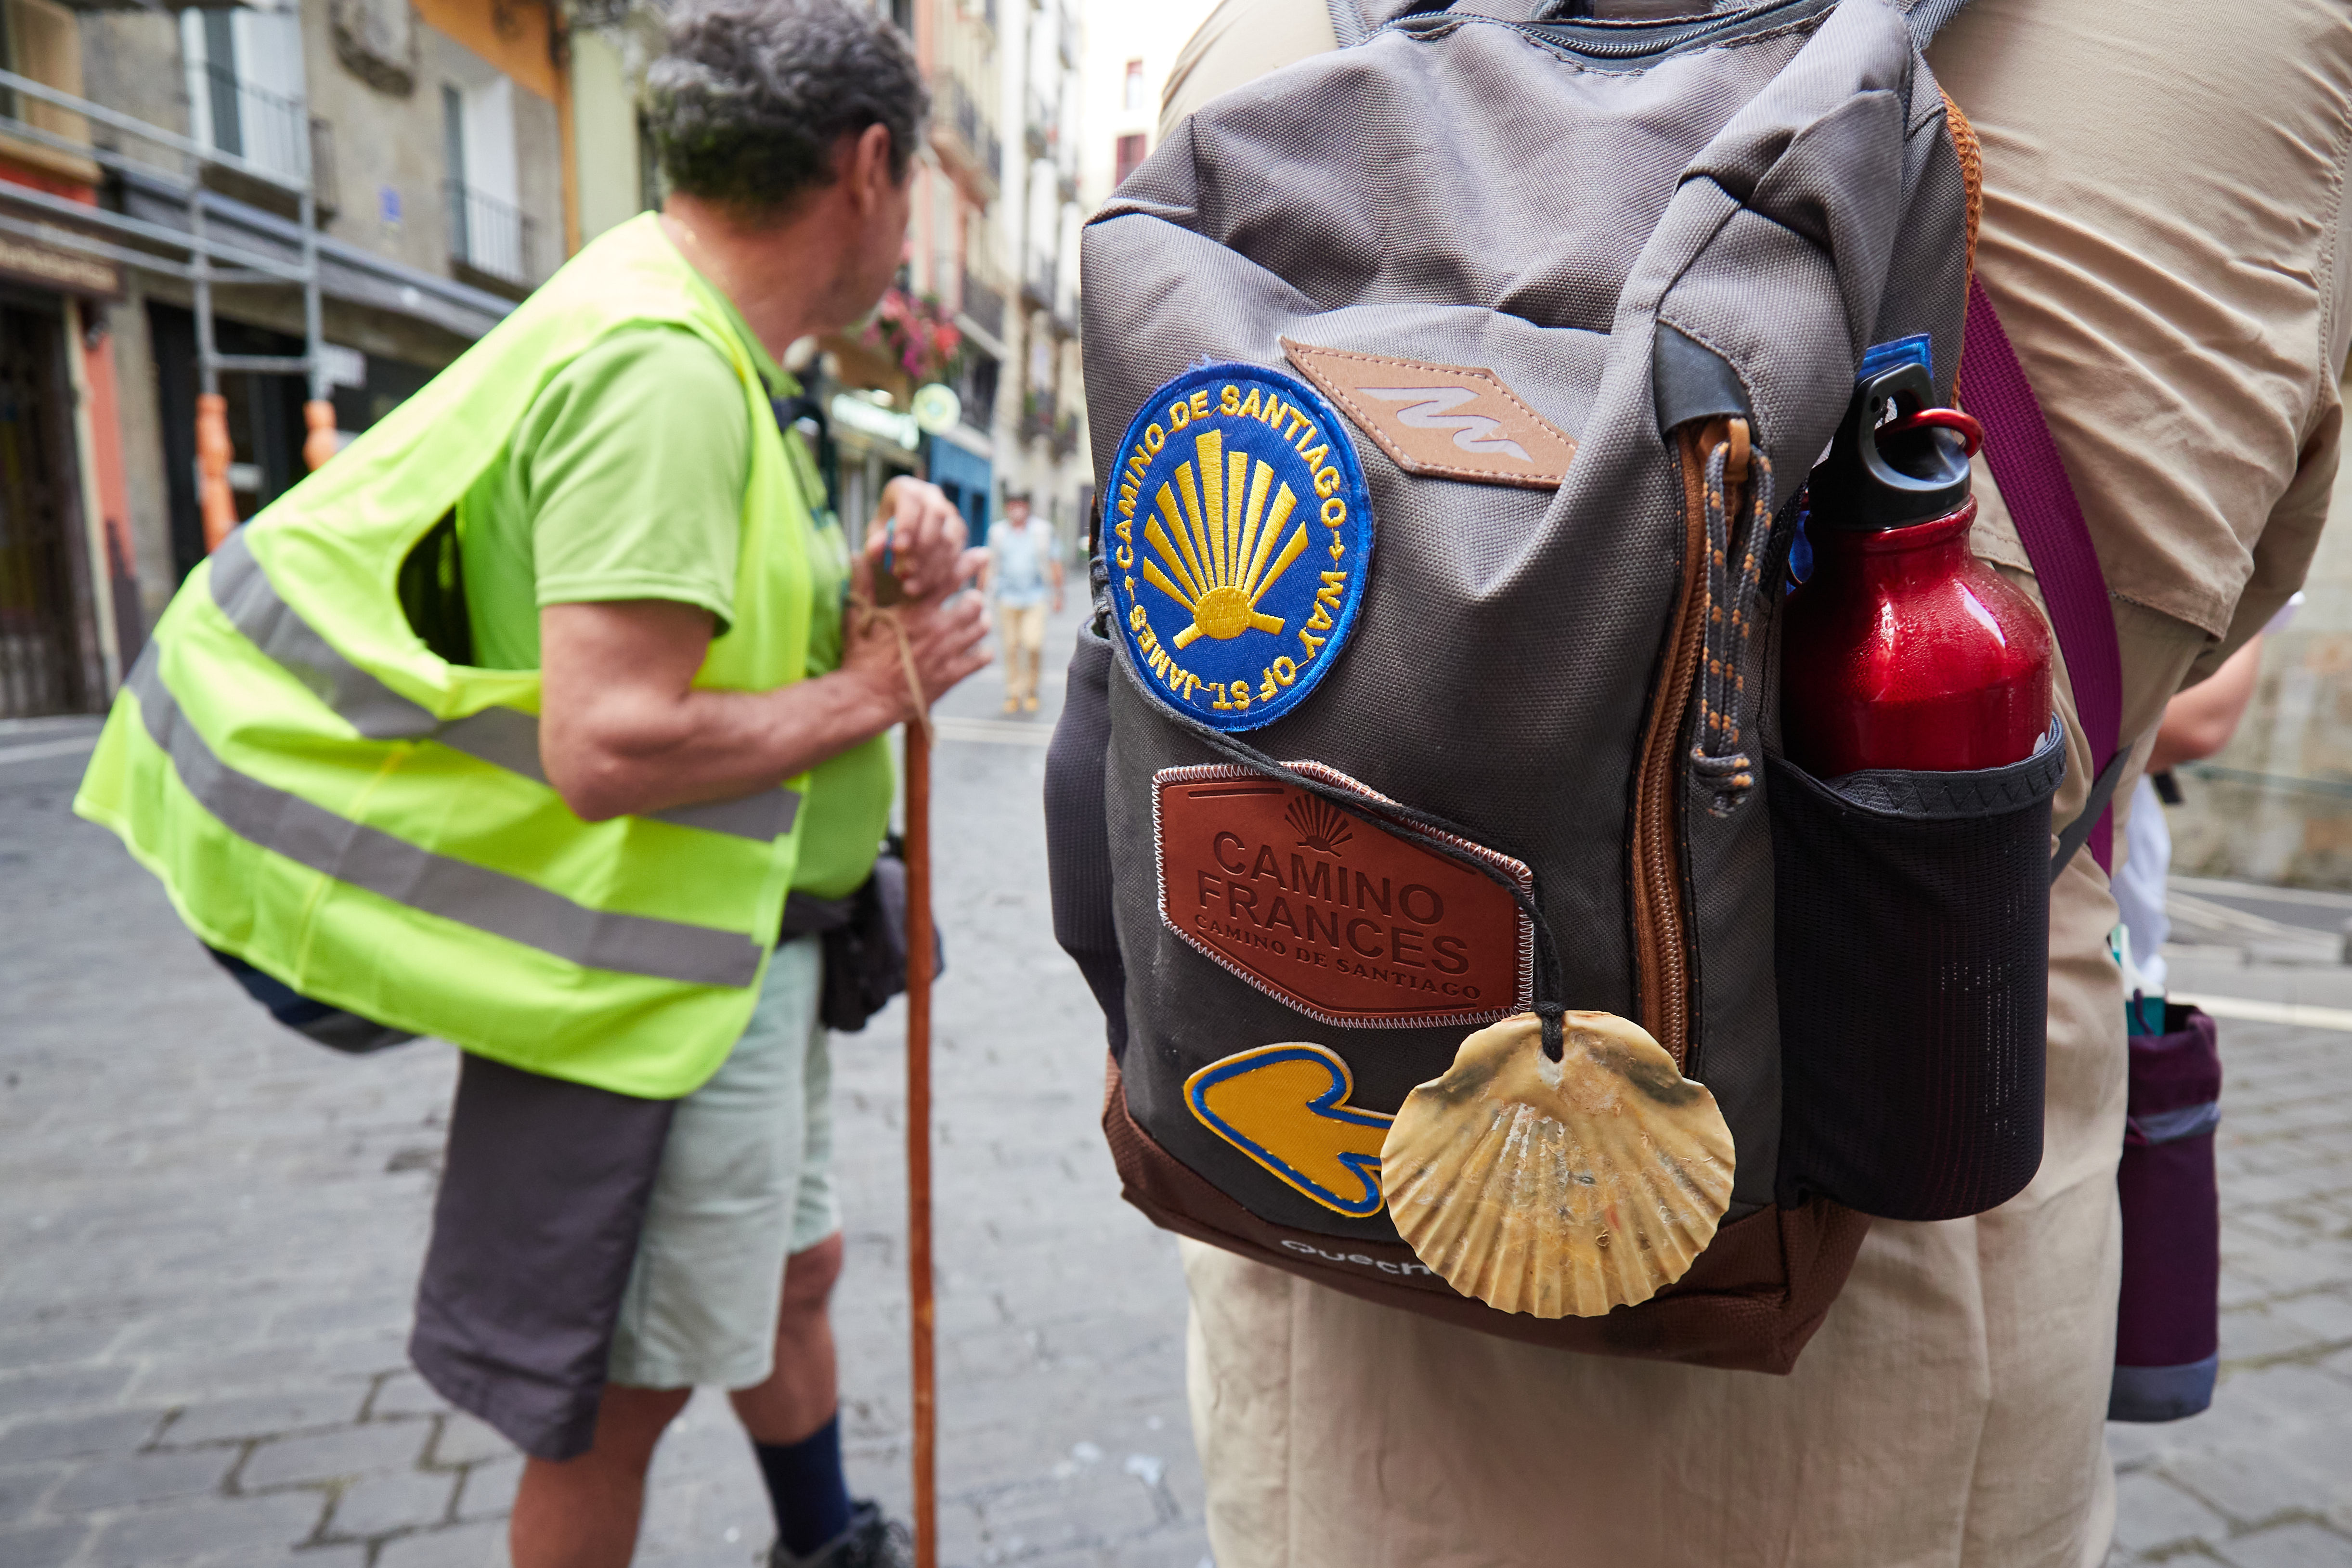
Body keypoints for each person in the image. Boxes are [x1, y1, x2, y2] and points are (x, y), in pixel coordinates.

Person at [1144, 3, 2349, 1566]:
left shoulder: (1262, 36)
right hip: (1889, 1350)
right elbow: (2207, 640)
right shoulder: (2260, 38)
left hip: (1312, 1279)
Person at [73, 4, 988, 1567]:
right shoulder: (664, 371)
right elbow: (611, 737)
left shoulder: (694, 341)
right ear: (870, 165)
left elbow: (705, 644)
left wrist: (864, 589)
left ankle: (827, 1540)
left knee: (794, 1272)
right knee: (616, 1399)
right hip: (654, 990)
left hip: (728, 958)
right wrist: (870, 689)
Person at [983, 491, 1062, 713]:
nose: (1016, 509)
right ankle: (1014, 693)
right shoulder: (998, 533)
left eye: (1020, 504)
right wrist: (983, 596)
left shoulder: (1042, 531)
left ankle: (1031, 690)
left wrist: (1058, 593)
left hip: (1035, 597)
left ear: (1027, 507)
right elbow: (990, 564)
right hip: (1007, 597)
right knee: (1011, 647)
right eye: (1012, 504)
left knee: (1033, 643)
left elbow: (1054, 561)